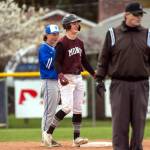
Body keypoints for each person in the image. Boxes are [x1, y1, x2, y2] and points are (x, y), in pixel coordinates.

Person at [96, 2, 150, 150]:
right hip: (119, 84)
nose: (139, 17)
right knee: (120, 123)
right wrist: (99, 79)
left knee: (139, 123)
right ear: (126, 15)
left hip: (141, 84)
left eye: (140, 14)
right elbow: (104, 58)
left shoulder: (147, 34)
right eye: (136, 14)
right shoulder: (113, 34)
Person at [43, 14, 95, 147]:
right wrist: (60, 75)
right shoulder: (62, 43)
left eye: (77, 23)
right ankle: (48, 133)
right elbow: (56, 62)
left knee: (78, 109)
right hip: (66, 77)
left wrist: (94, 74)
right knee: (67, 107)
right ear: (67, 26)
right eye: (74, 23)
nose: (76, 25)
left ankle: (76, 139)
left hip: (78, 77)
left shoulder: (80, 42)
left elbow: (84, 61)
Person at [38, 24, 61, 147]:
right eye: (53, 34)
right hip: (48, 81)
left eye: (57, 34)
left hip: (55, 82)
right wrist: (59, 54)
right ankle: (45, 138)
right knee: (49, 112)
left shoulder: (54, 48)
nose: (55, 36)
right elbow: (48, 64)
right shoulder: (44, 48)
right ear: (46, 35)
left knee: (52, 111)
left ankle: (47, 137)